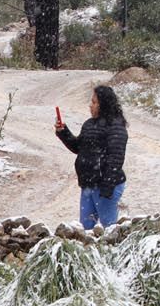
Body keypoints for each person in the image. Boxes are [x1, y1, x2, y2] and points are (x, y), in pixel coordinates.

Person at [54, 84, 129, 228]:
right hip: (88, 184)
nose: (90, 106)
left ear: (104, 105)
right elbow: (78, 147)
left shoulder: (116, 126)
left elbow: (116, 159)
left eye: (94, 102)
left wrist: (107, 189)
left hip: (106, 186)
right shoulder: (89, 124)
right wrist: (63, 132)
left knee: (109, 228)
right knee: (86, 228)